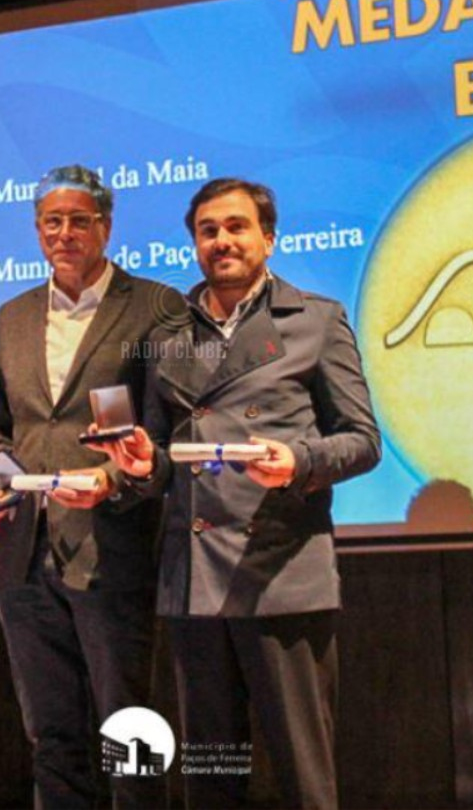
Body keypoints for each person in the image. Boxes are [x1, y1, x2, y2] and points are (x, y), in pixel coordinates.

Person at [93, 178, 381, 809]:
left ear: (268, 239)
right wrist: (142, 464)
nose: (221, 240)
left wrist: (300, 460)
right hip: (195, 584)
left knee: (303, 775)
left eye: (236, 226)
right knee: (210, 779)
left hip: (280, 576)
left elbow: (362, 441)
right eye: (208, 230)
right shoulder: (168, 333)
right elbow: (161, 456)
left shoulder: (315, 320)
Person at [0, 164, 184, 808]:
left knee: (130, 732)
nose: (64, 234)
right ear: (38, 230)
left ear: (106, 227)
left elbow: (169, 433)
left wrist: (115, 477)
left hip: (113, 549)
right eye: (51, 222)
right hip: (26, 557)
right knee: (52, 736)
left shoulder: (154, 306)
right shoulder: (12, 315)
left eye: (79, 221)